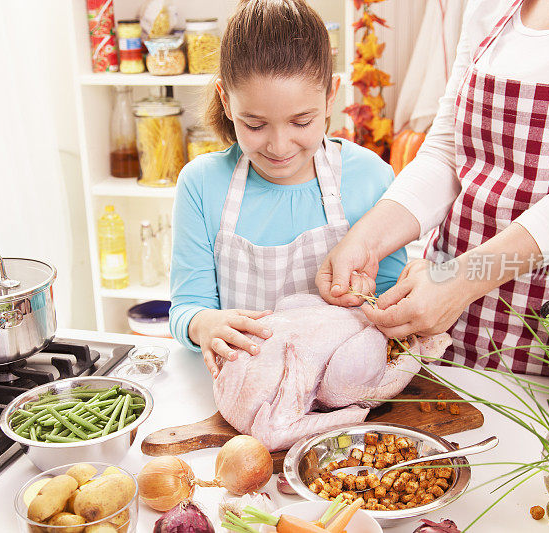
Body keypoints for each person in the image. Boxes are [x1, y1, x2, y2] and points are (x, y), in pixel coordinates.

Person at [318, 0, 549, 375]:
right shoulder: (488, 6)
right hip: (451, 320)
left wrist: (459, 282)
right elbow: (447, 151)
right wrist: (367, 239)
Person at [169, 0, 407, 377]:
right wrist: (204, 325)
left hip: (346, 388)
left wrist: (368, 296)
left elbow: (394, 302)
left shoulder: (370, 177)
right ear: (226, 101)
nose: (279, 147)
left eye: (301, 122)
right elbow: (186, 309)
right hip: (244, 389)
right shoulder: (201, 185)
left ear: (331, 96)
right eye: (255, 124)